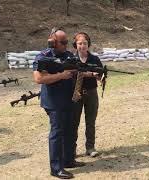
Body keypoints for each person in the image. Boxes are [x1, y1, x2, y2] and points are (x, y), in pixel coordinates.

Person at [33, 28, 85, 179]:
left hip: (69, 100)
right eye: (62, 42)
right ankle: (56, 168)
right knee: (57, 133)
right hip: (54, 102)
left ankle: (68, 160)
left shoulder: (68, 55)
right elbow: (39, 79)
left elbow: (77, 70)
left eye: (67, 42)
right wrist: (61, 76)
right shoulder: (43, 57)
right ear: (52, 42)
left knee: (70, 130)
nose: (65, 45)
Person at [71, 32, 103, 157]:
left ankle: (90, 147)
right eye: (79, 43)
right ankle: (71, 149)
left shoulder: (95, 59)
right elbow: (70, 73)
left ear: (88, 45)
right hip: (76, 93)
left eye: (85, 43)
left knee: (90, 122)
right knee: (74, 122)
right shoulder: (71, 59)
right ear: (75, 45)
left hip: (91, 93)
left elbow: (101, 75)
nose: (82, 46)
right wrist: (88, 74)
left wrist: (101, 76)